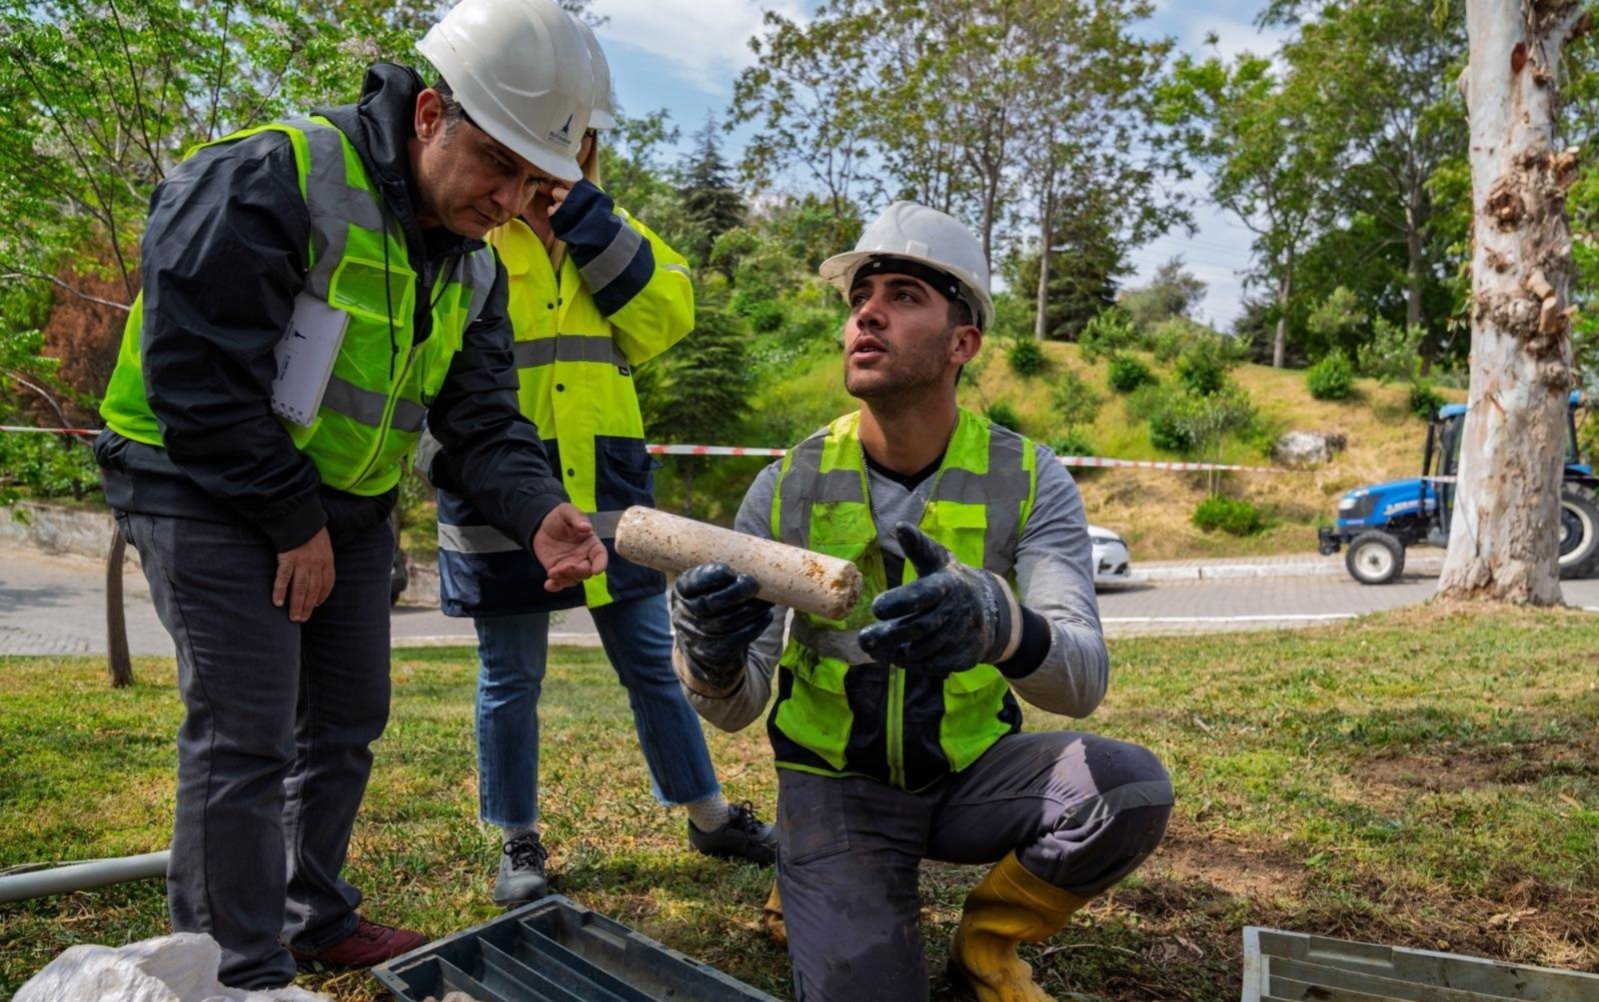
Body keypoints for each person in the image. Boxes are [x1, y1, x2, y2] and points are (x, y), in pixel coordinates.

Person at [93, 0, 607, 988]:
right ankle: (233, 967)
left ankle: (309, 914)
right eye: (496, 165)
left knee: (345, 715)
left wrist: (537, 508)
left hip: (344, 503)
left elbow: (484, 422)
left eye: (531, 181)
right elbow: (193, 377)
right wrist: (292, 521)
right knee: (245, 722)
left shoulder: (473, 264)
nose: (508, 200)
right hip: (193, 473)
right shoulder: (271, 176)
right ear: (427, 116)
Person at [668, 202, 1174, 1002]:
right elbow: (734, 709)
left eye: (903, 295)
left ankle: (986, 949)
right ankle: (815, 874)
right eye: (860, 297)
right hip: (837, 784)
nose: (867, 311)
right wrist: (709, 652)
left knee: (1128, 788)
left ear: (960, 344)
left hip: (971, 778)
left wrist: (1000, 624)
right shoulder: (788, 484)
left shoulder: (1028, 478)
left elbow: (1081, 683)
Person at [429, 17, 776, 909]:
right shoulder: (469, 232)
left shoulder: (610, 233)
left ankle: (707, 816)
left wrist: (582, 216)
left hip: (612, 501)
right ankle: (516, 841)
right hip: (499, 501)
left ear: (586, 148)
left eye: (568, 149)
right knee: (510, 678)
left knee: (652, 664)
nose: (542, 169)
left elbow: (665, 320)